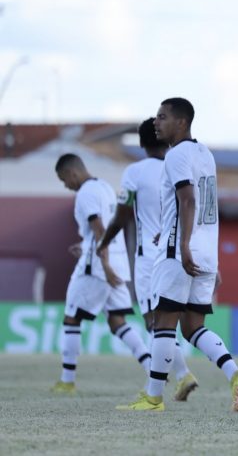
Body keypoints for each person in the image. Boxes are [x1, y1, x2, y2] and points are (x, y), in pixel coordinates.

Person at [117, 97, 238, 412]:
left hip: (180, 251)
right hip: (205, 251)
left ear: (181, 122)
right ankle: (236, 375)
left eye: (162, 117)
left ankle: (152, 398)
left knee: (163, 322)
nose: (156, 122)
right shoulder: (205, 153)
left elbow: (188, 199)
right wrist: (197, 248)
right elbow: (204, 204)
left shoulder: (176, 154)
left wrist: (182, 245)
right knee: (193, 327)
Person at [97, 117, 198, 401]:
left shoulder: (134, 172)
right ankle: (181, 375)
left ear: (141, 143)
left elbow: (123, 213)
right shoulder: (176, 168)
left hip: (147, 257)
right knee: (167, 321)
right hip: (175, 251)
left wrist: (104, 241)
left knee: (154, 322)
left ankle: (179, 377)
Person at [51, 154, 150, 394]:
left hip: (97, 266)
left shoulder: (85, 193)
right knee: (118, 322)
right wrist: (85, 246)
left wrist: (103, 265)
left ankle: (67, 381)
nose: (66, 186)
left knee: (71, 318)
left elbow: (100, 230)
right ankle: (154, 369)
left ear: (73, 173)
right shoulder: (105, 187)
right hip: (118, 260)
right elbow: (101, 231)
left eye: (64, 180)